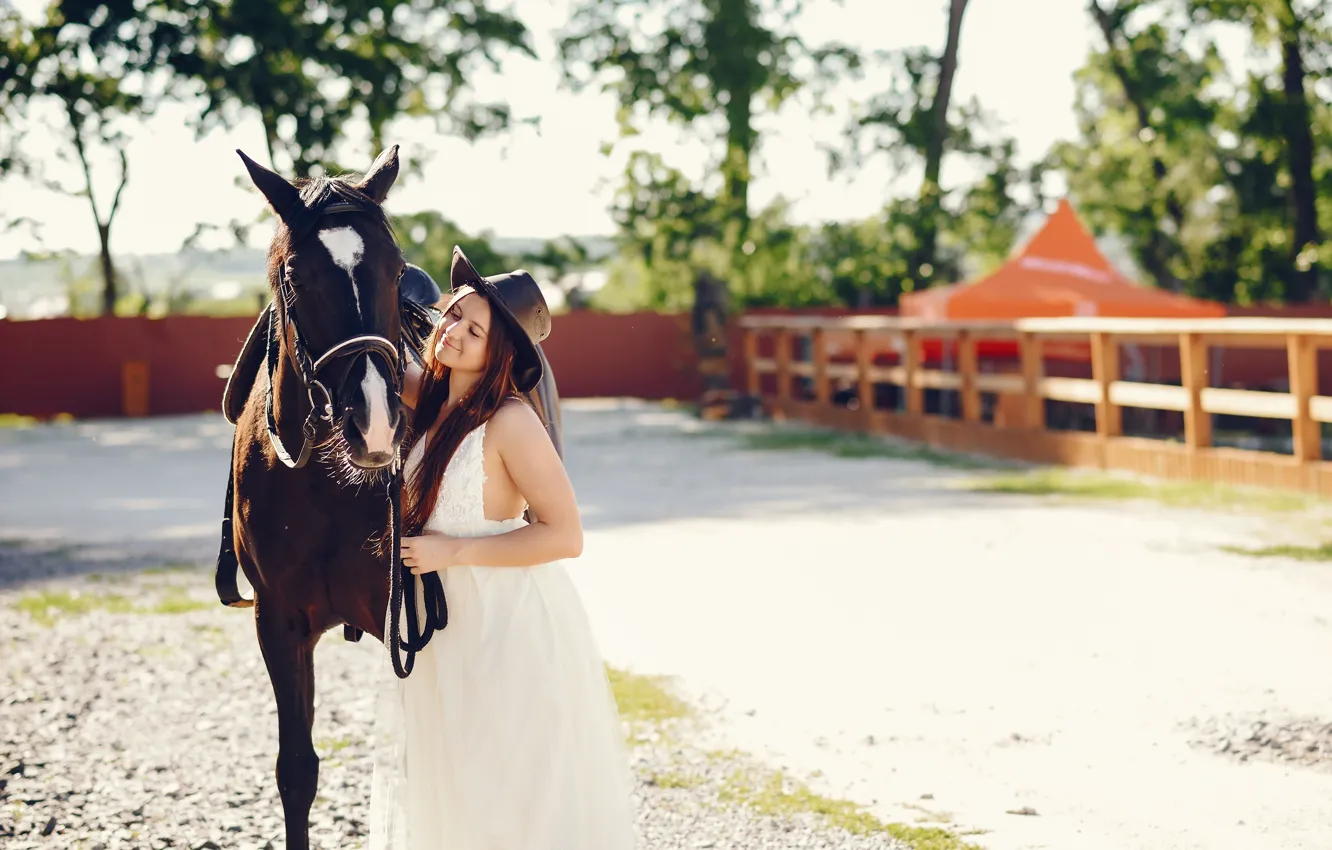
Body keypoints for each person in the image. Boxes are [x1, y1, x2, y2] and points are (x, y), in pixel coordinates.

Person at [367, 246, 637, 850]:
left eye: (474, 328)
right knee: (455, 780)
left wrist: (453, 554)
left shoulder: (511, 421)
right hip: (445, 630)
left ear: (501, 353)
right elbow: (368, 361)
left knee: (508, 784)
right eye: (453, 315)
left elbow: (565, 535)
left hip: (506, 625)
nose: (453, 332)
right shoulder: (433, 403)